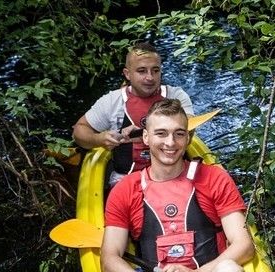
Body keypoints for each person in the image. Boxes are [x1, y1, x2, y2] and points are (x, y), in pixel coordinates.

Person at [100, 99, 255, 272]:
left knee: (232, 271)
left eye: (179, 133)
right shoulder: (125, 190)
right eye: (161, 133)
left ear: (189, 137)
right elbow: (109, 260)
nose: (170, 143)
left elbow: (244, 245)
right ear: (146, 137)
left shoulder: (214, 178)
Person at [72, 42, 194, 185]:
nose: (150, 77)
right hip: (126, 179)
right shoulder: (112, 101)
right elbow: (79, 131)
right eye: (142, 71)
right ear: (127, 74)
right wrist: (99, 139)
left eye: (155, 70)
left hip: (172, 175)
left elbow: (189, 132)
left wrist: (140, 134)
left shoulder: (176, 96)